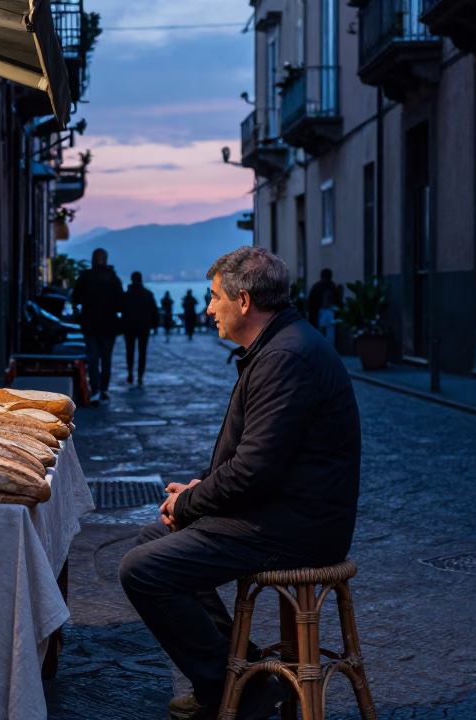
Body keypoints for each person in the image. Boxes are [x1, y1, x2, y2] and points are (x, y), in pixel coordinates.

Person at [119, 247, 361, 720]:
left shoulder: (286, 356)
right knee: (154, 539)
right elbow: (257, 457)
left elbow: (254, 471)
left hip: (294, 528)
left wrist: (191, 503)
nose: (208, 308)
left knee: (143, 569)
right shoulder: (280, 345)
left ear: (243, 300)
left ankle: (235, 687)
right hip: (280, 511)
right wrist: (200, 489)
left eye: (215, 297)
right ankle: (242, 677)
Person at [70, 248, 124, 404]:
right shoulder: (113, 278)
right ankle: (103, 389)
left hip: (90, 324)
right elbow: (121, 303)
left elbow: (76, 297)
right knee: (106, 358)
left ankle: (96, 389)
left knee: (93, 358)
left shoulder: (85, 277)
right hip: (108, 325)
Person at [121, 271, 159, 385]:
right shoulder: (148, 294)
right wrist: (154, 325)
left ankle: (130, 373)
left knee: (130, 351)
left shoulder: (126, 295)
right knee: (142, 353)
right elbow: (154, 311)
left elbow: (121, 309)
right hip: (144, 327)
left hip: (129, 326)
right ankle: (140, 376)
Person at [307, 268, 340, 346]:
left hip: (319, 312)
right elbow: (337, 300)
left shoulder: (316, 286)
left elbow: (311, 301)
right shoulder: (332, 286)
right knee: (330, 332)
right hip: (330, 312)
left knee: (320, 331)